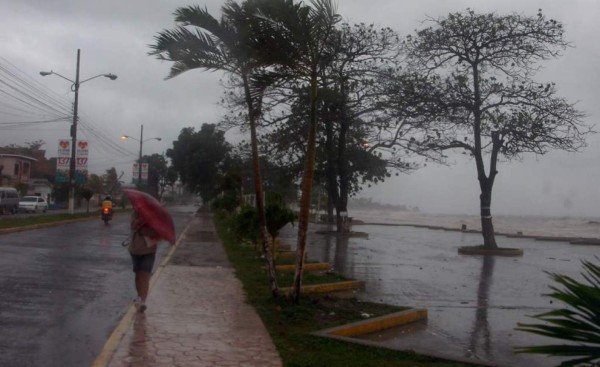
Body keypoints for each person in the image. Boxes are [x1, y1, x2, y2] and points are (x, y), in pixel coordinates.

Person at [128, 210, 159, 313]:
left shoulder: (154, 217)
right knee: (138, 274)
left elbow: (155, 232)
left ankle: (143, 302)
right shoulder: (135, 214)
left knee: (145, 275)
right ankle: (139, 296)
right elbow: (133, 226)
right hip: (135, 249)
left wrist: (147, 226)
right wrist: (141, 222)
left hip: (149, 250)